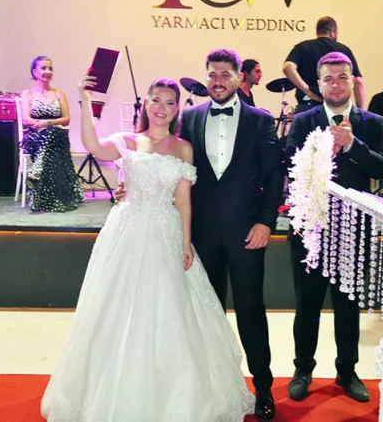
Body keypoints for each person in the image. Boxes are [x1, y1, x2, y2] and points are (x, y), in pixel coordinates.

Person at [39, 76, 255, 422]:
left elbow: (183, 201)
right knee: (116, 307)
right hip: (126, 232)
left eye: (169, 103)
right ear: (146, 103)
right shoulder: (128, 140)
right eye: (156, 100)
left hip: (165, 231)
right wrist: (85, 100)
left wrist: (185, 242)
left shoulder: (183, 148)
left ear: (177, 109)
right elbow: (92, 145)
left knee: (170, 308)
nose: (161, 108)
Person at [178, 48, 284, 420]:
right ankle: (209, 389)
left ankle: (263, 388)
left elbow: (274, 175)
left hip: (247, 234)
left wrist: (266, 222)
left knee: (251, 312)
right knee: (205, 314)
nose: (218, 81)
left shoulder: (260, 120)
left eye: (225, 74)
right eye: (212, 74)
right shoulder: (189, 117)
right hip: (202, 235)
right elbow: (175, 169)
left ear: (239, 77)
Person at [283, 51, 383, 403]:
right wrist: (322, 153)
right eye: (328, 79)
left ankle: (347, 371)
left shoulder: (372, 123)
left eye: (342, 77)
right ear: (319, 84)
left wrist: (352, 145)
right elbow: (289, 164)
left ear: (352, 81)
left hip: (353, 230)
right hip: (311, 230)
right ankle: (303, 369)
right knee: (307, 306)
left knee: (348, 306)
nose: (335, 84)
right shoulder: (304, 120)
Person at [19, 55, 85, 212]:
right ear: (34, 72)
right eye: (43, 68)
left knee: (53, 132)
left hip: (56, 134)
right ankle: (54, 194)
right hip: (35, 136)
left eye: (50, 68)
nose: (48, 71)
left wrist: (47, 124)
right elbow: (25, 119)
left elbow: (66, 119)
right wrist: (40, 125)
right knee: (51, 138)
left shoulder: (59, 93)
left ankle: (36, 172)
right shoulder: (27, 93)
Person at [283, 16, 365, 112]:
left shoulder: (302, 47)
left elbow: (288, 67)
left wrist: (308, 91)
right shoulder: (344, 50)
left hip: (307, 106)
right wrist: (361, 112)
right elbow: (358, 82)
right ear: (332, 31)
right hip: (337, 107)